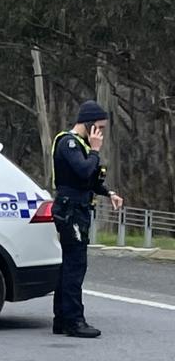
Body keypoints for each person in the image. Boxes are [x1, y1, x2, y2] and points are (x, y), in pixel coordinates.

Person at [50, 100, 124, 338]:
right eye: (99, 126)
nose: (101, 132)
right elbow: (83, 169)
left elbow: (89, 179)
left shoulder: (80, 144)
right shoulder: (69, 143)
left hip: (79, 208)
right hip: (70, 209)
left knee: (70, 265)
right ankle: (74, 321)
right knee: (75, 266)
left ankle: (62, 319)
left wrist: (108, 192)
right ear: (89, 124)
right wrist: (94, 150)